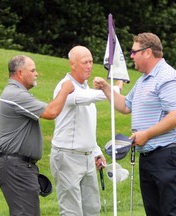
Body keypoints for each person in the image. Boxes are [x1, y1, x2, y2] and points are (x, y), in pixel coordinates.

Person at [93, 33, 176, 216]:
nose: (131, 56)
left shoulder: (166, 77)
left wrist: (146, 134)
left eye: (134, 52)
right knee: (154, 211)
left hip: (169, 154)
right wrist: (106, 88)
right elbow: (125, 106)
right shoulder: (144, 80)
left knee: (174, 211)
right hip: (150, 156)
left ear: (147, 52)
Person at [0, 55, 74, 216]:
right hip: (16, 167)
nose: (36, 73)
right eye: (32, 70)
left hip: (20, 166)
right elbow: (51, 112)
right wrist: (65, 90)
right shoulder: (15, 95)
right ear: (20, 73)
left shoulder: (16, 94)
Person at [50, 45, 123, 216]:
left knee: (92, 209)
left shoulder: (85, 87)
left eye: (91, 61)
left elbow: (87, 125)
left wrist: (96, 151)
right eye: (85, 62)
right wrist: (115, 87)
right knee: (71, 211)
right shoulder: (66, 86)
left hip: (87, 156)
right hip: (67, 156)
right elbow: (92, 96)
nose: (89, 65)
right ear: (72, 64)